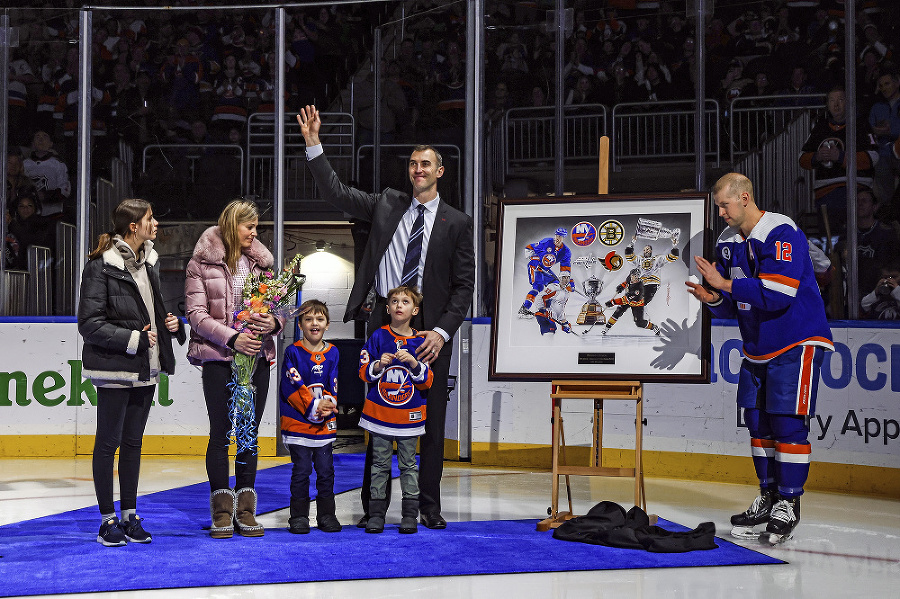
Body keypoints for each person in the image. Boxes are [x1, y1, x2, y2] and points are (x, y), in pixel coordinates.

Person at [296, 105, 475, 531]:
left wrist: (442, 332)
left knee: (428, 422)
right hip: (380, 322)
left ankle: (428, 506)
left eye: (426, 164)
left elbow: (464, 286)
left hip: (429, 333)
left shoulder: (458, 223)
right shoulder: (387, 204)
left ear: (441, 171)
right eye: (413, 164)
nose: (418, 169)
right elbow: (337, 193)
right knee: (374, 419)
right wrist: (313, 144)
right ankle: (374, 506)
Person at [686, 173, 833, 545]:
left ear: (745, 197)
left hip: (796, 341)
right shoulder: (726, 243)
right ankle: (768, 498)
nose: (719, 212)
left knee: (786, 424)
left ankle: (789, 502)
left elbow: (779, 293)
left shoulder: (782, 230)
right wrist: (714, 299)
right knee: (756, 422)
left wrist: (723, 286)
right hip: (756, 347)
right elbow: (737, 303)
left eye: (724, 205)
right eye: (717, 206)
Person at [77, 198, 185, 546]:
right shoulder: (100, 266)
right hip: (116, 366)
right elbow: (89, 324)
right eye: (150, 218)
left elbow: (151, 311)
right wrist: (133, 339)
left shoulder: (148, 261)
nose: (156, 223)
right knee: (108, 443)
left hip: (145, 365)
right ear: (133, 226)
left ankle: (129, 515)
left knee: (133, 443)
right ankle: (107, 520)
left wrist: (171, 324)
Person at [185, 199, 283, 539]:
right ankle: (222, 511)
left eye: (256, 227)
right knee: (221, 433)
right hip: (218, 359)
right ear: (231, 225)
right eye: (249, 226)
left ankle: (245, 509)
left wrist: (273, 322)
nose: (255, 233)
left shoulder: (262, 263)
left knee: (248, 435)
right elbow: (196, 315)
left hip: (257, 360)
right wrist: (233, 339)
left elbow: (279, 309)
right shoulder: (200, 263)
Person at [358, 285, 433, 534]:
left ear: (415, 310)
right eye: (394, 301)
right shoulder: (378, 337)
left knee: (408, 465)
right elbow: (363, 371)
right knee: (379, 464)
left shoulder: (422, 341)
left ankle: (410, 514)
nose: (399, 305)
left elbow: (428, 380)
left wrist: (414, 364)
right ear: (388, 307)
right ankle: (376, 514)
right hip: (380, 416)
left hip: (409, 417)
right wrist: (378, 365)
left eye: (405, 301)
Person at [280, 299, 342, 534]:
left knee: (326, 471)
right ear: (300, 324)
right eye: (308, 319)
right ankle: (298, 516)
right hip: (298, 424)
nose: (314, 323)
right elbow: (292, 386)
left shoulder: (333, 352)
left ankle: (327, 515)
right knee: (302, 470)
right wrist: (314, 406)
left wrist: (327, 405)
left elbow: (333, 384)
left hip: (324, 425)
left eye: (319, 319)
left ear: (327, 324)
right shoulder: (293, 352)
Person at [799, 85, 879, 236]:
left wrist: (841, 157)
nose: (836, 104)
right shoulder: (820, 127)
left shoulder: (860, 125)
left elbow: (873, 157)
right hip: (826, 194)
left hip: (857, 189)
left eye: (841, 99)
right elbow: (802, 158)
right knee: (832, 244)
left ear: (849, 102)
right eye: (832, 100)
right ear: (827, 104)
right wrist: (817, 157)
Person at [518, 228, 572, 317]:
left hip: (545, 270)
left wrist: (564, 280)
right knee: (538, 287)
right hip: (535, 267)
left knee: (556, 284)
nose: (558, 238)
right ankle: (524, 308)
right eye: (557, 235)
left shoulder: (565, 251)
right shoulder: (546, 242)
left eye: (561, 237)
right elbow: (529, 248)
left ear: (564, 238)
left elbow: (565, 267)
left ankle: (546, 309)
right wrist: (536, 259)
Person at [600, 268, 662, 336]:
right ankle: (606, 328)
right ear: (630, 275)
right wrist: (621, 287)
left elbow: (624, 300)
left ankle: (653, 327)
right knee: (618, 312)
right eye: (633, 275)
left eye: (637, 276)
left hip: (636, 304)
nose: (635, 277)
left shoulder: (638, 289)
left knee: (639, 323)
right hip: (627, 300)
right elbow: (626, 283)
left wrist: (612, 302)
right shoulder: (629, 278)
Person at [6, 187, 53, 270]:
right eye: (21, 206)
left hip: (36, 271)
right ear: (17, 209)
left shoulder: (42, 223)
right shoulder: (13, 226)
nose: (25, 209)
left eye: (29, 205)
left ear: (35, 208)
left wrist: (11, 223)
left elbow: (28, 239)